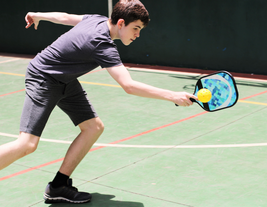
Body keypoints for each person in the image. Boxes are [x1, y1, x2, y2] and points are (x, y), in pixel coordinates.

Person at [0, 0, 197, 204]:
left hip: (65, 78)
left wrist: (39, 14)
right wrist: (172, 96)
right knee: (27, 144)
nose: (138, 34)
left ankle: (58, 186)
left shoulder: (97, 19)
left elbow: (66, 17)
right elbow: (128, 85)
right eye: (136, 28)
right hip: (43, 78)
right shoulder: (102, 44)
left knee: (93, 127)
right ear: (121, 23)